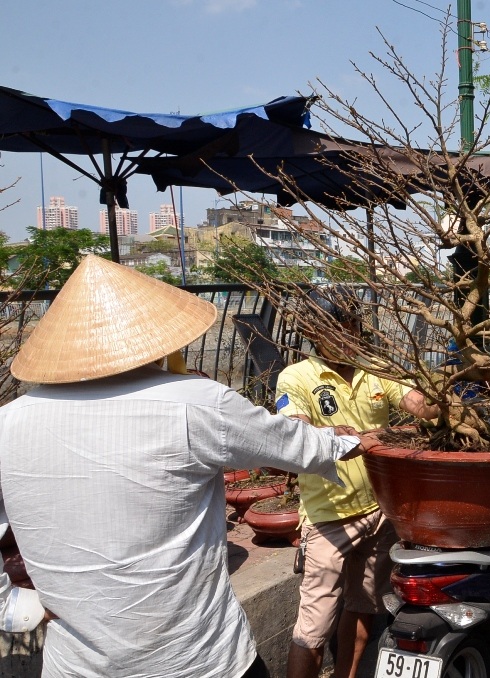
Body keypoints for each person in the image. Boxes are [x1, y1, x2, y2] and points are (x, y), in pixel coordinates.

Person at [0, 255, 363, 678]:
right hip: (201, 661)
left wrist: (17, 610)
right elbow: (295, 443)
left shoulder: (9, 423)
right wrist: (345, 440)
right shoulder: (194, 403)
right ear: (158, 338)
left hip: (76, 666)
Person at [278, 286, 438, 678]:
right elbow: (293, 432)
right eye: (331, 326)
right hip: (328, 517)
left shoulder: (376, 368)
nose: (343, 334)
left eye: (348, 324)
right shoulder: (296, 377)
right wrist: (340, 434)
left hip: (380, 513)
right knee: (312, 630)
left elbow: (422, 405)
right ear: (313, 330)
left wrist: (446, 394)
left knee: (363, 604)